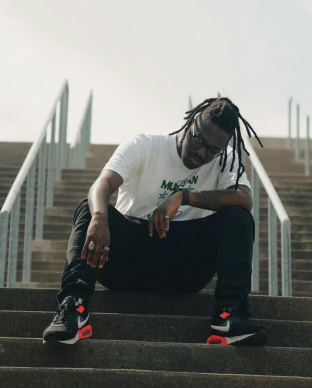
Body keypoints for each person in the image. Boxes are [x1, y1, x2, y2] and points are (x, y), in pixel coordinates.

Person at [43, 97, 267, 347]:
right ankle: (73, 307)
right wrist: (100, 217)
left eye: (212, 150)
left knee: (237, 216)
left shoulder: (226, 160)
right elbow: (102, 184)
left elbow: (245, 199)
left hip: (183, 271)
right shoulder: (145, 146)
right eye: (199, 141)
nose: (202, 153)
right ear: (190, 124)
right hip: (126, 262)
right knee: (90, 207)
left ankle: (229, 315)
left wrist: (183, 197)